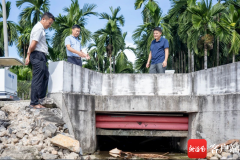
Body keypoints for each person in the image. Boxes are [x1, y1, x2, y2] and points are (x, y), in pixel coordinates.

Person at [25, 12, 55, 109]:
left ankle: (40, 98)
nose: (49, 25)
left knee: (45, 76)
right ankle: (33, 102)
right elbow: (33, 44)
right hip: (37, 54)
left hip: (41, 55)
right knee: (37, 79)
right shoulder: (38, 28)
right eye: (49, 23)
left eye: (51, 24)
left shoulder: (41, 29)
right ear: (43, 19)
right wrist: (28, 55)